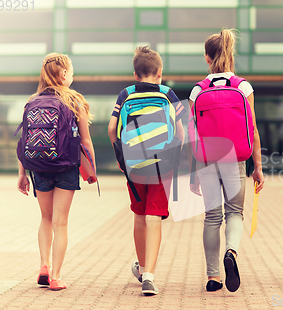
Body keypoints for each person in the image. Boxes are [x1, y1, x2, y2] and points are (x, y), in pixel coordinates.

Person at [188, 28, 265, 292]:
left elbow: (193, 136)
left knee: (212, 217)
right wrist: (258, 168)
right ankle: (231, 252)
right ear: (230, 55)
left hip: (207, 160)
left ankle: (213, 277)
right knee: (235, 212)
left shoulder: (197, 92)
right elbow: (253, 129)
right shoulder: (243, 87)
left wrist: (192, 173)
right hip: (236, 159)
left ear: (207, 59)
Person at [107, 46, 185, 296]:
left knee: (139, 214)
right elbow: (181, 132)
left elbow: (111, 128)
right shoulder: (168, 94)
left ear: (135, 73)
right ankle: (149, 276)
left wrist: (121, 156)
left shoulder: (125, 94)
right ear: (159, 72)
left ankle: (141, 269)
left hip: (134, 164)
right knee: (154, 216)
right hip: (162, 164)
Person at [17, 53, 96, 291]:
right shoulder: (75, 101)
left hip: (38, 167)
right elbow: (86, 141)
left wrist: (22, 174)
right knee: (61, 223)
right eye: (71, 72)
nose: (72, 76)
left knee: (46, 218)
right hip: (66, 167)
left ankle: (44, 265)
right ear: (63, 75)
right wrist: (91, 171)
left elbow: (23, 141)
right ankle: (57, 277)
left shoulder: (32, 101)